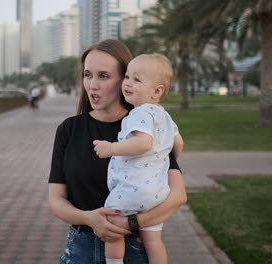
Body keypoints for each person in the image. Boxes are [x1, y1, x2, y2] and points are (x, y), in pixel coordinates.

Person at [48, 39, 187, 264]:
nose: (92, 85)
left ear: (126, 79)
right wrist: (90, 219)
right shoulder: (69, 129)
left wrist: (129, 223)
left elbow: (178, 196)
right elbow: (56, 201)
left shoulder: (146, 125)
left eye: (103, 76)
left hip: (134, 249)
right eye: (87, 75)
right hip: (80, 250)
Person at [93, 53, 183, 264]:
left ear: (157, 91)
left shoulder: (140, 113)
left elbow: (143, 143)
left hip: (133, 189)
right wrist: (163, 162)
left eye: (137, 79)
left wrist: (111, 148)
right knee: (153, 240)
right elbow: (179, 144)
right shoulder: (165, 116)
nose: (128, 83)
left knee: (112, 223)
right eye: (127, 77)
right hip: (158, 191)